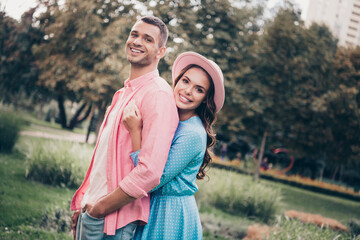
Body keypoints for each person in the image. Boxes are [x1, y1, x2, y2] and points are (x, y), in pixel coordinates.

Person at [70, 16, 179, 239]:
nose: (137, 41)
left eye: (148, 39)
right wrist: (86, 202)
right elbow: (104, 159)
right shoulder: (123, 93)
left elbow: (150, 172)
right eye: (134, 34)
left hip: (113, 219)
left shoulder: (157, 94)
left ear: (160, 52)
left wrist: (99, 208)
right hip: (92, 208)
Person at [122, 52, 225, 239]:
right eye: (186, 81)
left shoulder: (192, 133)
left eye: (199, 89)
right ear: (177, 81)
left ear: (205, 99)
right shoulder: (172, 120)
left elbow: (151, 179)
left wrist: (135, 131)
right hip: (156, 208)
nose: (187, 90)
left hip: (169, 215)